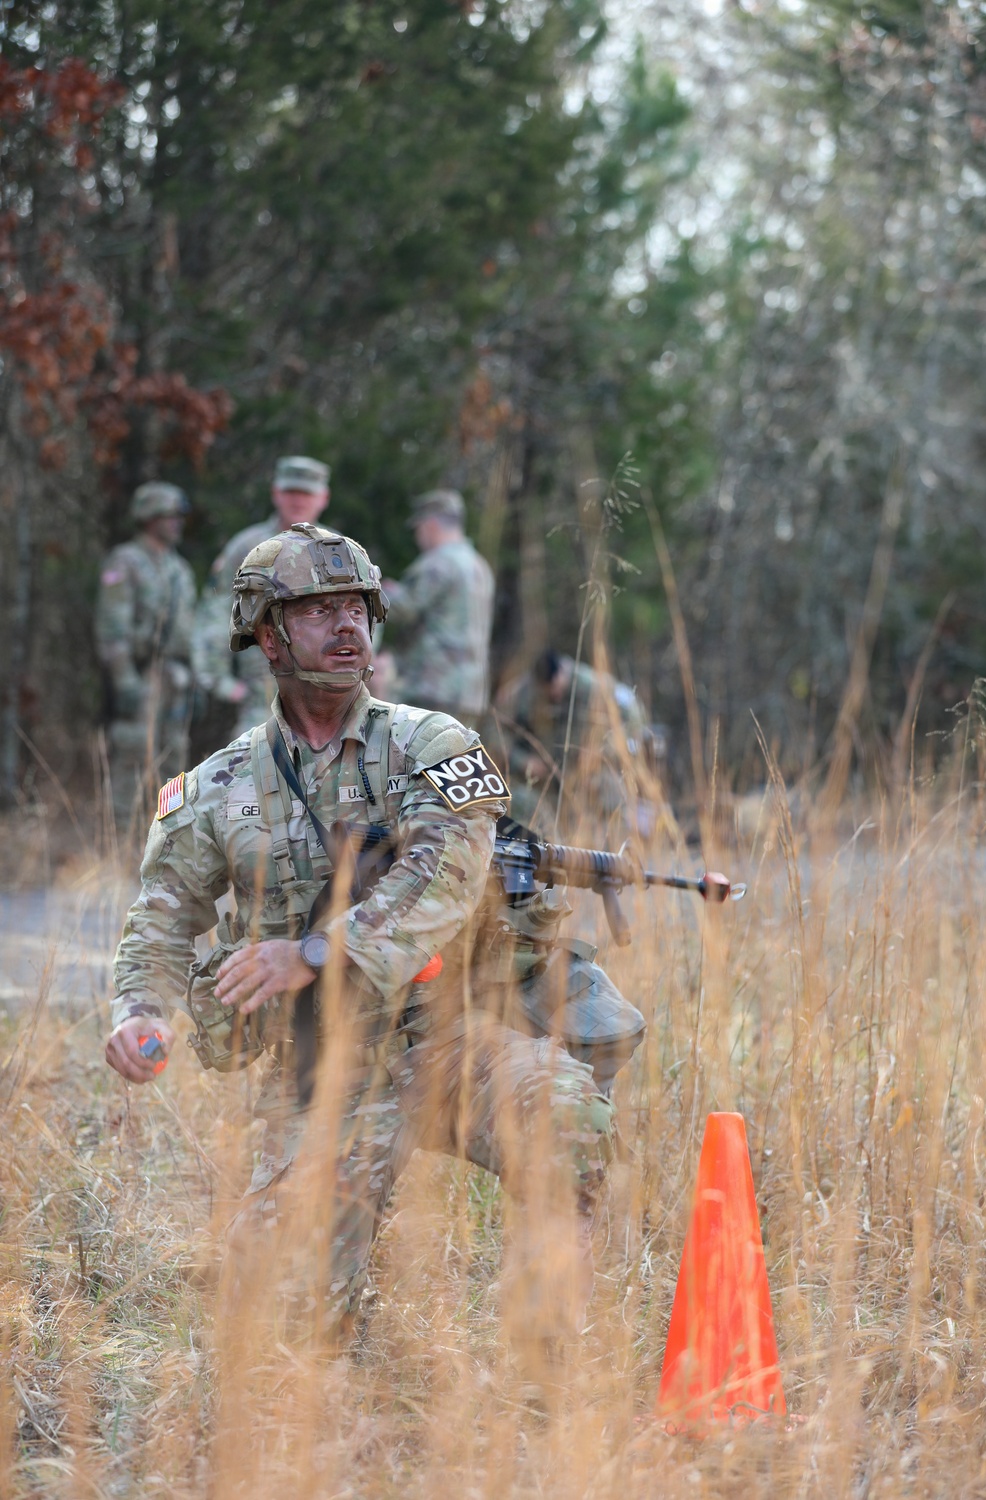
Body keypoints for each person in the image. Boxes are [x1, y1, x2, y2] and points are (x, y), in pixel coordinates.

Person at [104, 523, 614, 1386]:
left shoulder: (435, 742)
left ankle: (538, 1372)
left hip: (447, 1041)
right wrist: (138, 1014)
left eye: (358, 609)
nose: (348, 627)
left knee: (566, 1118)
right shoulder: (214, 789)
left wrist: (313, 950)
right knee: (279, 1342)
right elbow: (159, 921)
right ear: (268, 636)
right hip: (321, 1072)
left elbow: (447, 869)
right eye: (319, 611)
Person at [193, 455, 330, 736]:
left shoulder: (337, 550)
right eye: (291, 491)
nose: (298, 500)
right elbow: (217, 609)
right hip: (262, 686)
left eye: (306, 493)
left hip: (325, 689)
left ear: (323, 497)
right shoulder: (247, 546)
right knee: (251, 764)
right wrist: (217, 677)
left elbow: (361, 616)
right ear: (275, 493)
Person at [95, 481, 196, 832]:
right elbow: (112, 629)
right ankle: (120, 843)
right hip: (139, 676)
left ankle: (166, 842)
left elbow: (188, 631)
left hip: (174, 679)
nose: (176, 523)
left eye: (178, 516)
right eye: (169, 516)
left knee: (174, 761)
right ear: (149, 518)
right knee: (133, 757)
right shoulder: (126, 561)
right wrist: (125, 681)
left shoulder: (179, 569)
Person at [492, 649, 651, 835]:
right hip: (543, 777)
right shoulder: (522, 692)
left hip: (588, 774)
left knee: (610, 795)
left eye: (557, 688)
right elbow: (493, 729)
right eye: (548, 692)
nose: (554, 695)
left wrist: (602, 751)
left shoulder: (594, 686)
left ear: (563, 673)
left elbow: (634, 723)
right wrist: (521, 760)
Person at [381, 489, 493, 726]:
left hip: (431, 688)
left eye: (418, 529)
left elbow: (402, 609)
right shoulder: (479, 566)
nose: (418, 536)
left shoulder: (437, 563)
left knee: (418, 759)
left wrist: (378, 591)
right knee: (453, 761)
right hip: (469, 692)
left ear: (430, 525)